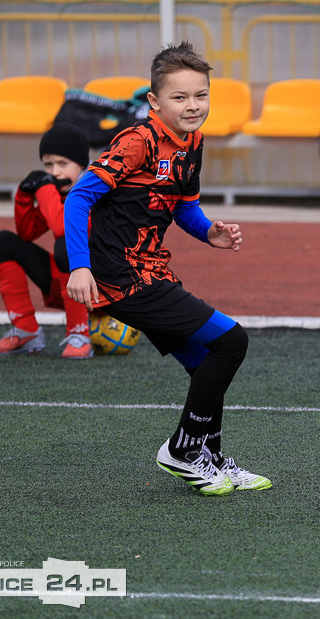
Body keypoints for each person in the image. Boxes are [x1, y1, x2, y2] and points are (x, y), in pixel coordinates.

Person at [63, 40, 271, 496]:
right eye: (180, 97)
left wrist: (207, 232)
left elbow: (184, 206)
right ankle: (181, 450)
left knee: (205, 363)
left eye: (201, 95)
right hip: (120, 278)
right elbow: (79, 198)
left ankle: (209, 459)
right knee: (231, 340)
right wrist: (80, 267)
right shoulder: (137, 140)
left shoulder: (193, 143)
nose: (193, 105)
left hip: (151, 271)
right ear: (155, 102)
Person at [0, 123, 94, 359]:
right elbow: (26, 233)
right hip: (71, 288)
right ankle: (26, 330)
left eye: (63, 164)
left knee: (65, 248)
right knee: (2, 243)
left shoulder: (94, 190)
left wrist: (43, 190)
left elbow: (61, 227)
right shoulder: (59, 193)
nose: (54, 172)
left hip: (104, 289)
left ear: (82, 166)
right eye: (48, 165)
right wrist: (23, 196)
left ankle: (79, 333)